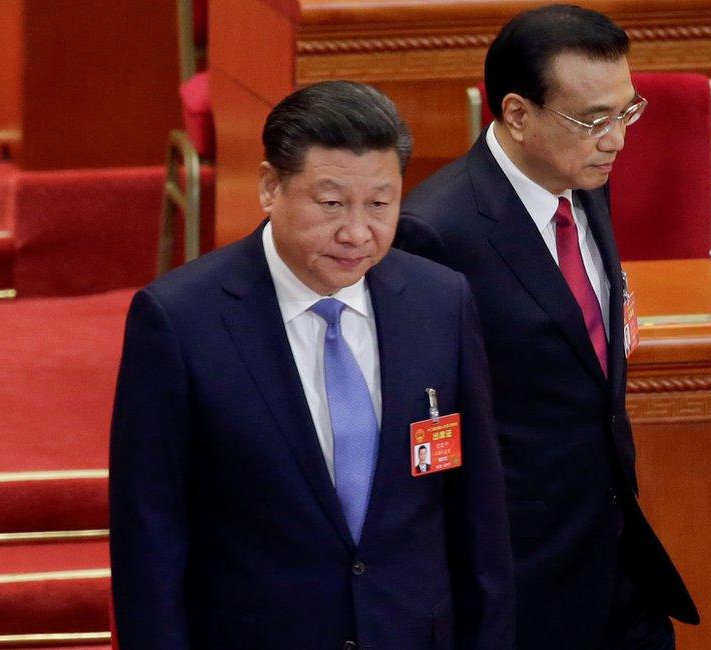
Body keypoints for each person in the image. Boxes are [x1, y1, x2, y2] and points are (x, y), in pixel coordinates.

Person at [110, 80, 515, 649]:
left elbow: (479, 516)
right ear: (271, 187)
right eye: (330, 204)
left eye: (380, 204)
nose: (357, 233)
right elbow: (149, 536)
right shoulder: (180, 320)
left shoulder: (440, 301)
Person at [395, 5, 698, 648]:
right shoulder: (436, 231)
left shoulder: (582, 177)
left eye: (627, 112)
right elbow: (425, 427)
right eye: (593, 119)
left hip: (618, 555)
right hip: (523, 580)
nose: (616, 138)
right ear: (517, 114)